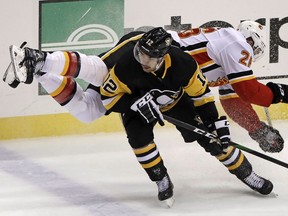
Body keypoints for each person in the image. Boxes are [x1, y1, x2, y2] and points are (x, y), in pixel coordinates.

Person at [6, 27, 274, 206]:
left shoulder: (183, 65)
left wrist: (219, 127)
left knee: (214, 140)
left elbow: (203, 97)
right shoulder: (128, 63)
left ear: (163, 57)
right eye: (141, 55)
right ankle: (39, 61)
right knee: (133, 132)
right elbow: (111, 97)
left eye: (148, 58)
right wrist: (134, 103)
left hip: (173, 100)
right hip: (134, 98)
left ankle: (247, 174)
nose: (142, 60)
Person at [168, 20, 284, 153]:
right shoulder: (236, 42)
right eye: (254, 49)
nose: (251, 55)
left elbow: (233, 104)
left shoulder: (228, 56)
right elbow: (250, 93)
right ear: (250, 39)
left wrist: (258, 130)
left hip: (170, 74)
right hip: (161, 57)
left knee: (210, 134)